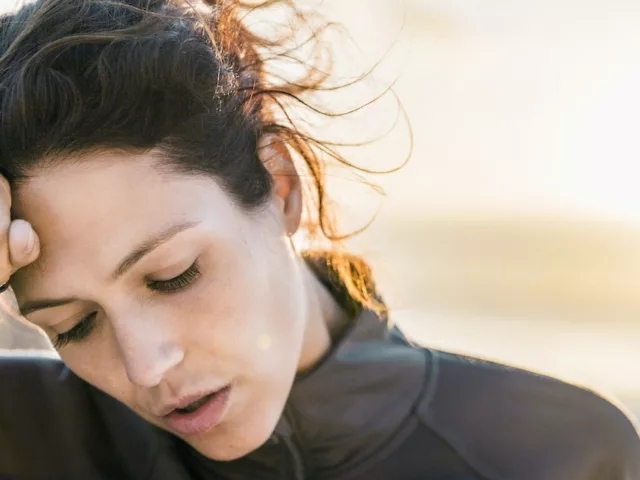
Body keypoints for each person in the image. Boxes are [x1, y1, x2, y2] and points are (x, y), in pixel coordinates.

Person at [0, 0, 638, 478]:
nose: (145, 365)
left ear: (279, 184)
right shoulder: (22, 435)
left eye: (174, 275)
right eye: (74, 326)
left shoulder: (561, 455)